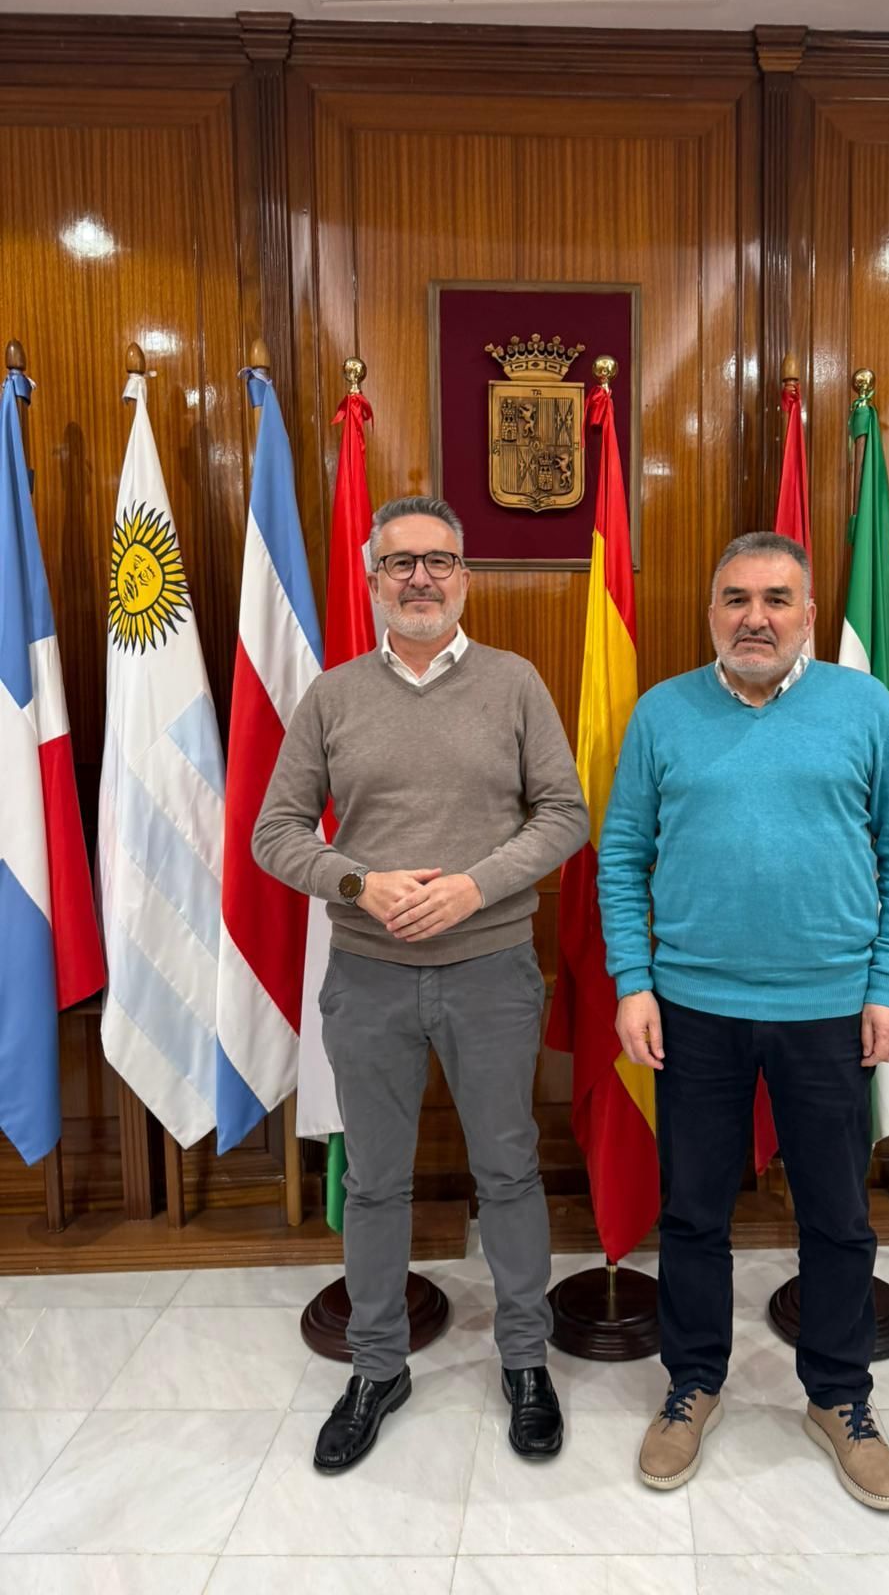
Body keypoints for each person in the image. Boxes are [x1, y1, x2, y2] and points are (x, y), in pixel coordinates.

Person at [597, 531, 889, 1510]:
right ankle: (692, 1384)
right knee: (693, 1213)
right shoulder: (663, 712)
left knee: (837, 1217)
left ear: (808, 613)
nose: (756, 617)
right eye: (737, 598)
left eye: (777, 599)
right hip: (691, 1009)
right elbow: (621, 855)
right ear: (712, 612)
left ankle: (839, 1397)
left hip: (830, 1011)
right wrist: (633, 980)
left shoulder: (863, 708)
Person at [254, 495, 588, 1473]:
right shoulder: (332, 697)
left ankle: (524, 1360)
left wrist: (475, 886)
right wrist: (361, 882)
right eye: (399, 563)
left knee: (509, 1170)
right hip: (369, 978)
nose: (420, 579)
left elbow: (564, 813)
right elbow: (275, 833)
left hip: (492, 972)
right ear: (373, 581)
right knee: (375, 1181)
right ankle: (376, 1368)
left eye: (438, 560)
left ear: (465, 576)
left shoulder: (515, 683)